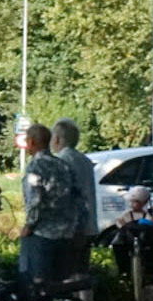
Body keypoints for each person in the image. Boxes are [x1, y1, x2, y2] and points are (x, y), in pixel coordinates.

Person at [18, 123, 80, 287]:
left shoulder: (35, 166)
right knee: (59, 285)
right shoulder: (63, 164)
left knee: (36, 284)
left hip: (42, 234)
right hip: (65, 233)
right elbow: (76, 196)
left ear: (31, 142)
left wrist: (29, 226)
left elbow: (35, 200)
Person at [52, 118, 98, 280]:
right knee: (82, 271)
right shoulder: (85, 160)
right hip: (89, 224)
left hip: (70, 227)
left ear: (57, 139)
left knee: (67, 273)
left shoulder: (60, 161)